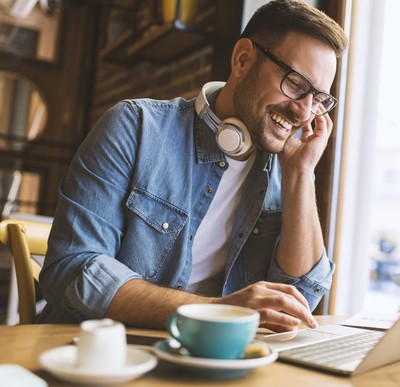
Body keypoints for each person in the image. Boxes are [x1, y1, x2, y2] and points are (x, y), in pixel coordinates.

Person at [38, 0, 349, 333]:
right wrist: (218, 310)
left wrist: (300, 174)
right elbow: (72, 269)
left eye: (318, 99)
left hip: (204, 364)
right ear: (243, 59)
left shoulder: (285, 170)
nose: (304, 113)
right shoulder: (135, 127)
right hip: (95, 357)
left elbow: (299, 300)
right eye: (296, 85)